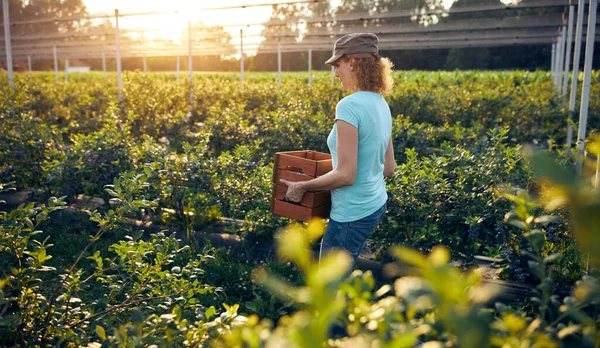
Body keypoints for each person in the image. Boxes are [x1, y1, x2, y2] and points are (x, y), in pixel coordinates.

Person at [280, 32, 395, 274]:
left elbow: (345, 175)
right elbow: (388, 168)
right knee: (346, 271)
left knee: (330, 288)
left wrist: (302, 187)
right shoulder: (381, 103)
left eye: (337, 65)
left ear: (352, 62)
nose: (335, 73)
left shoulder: (349, 106)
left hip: (350, 214)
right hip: (374, 206)